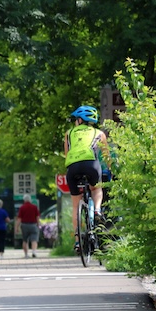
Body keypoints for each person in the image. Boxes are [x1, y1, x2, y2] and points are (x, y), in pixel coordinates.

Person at [64, 105, 111, 251]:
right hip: (92, 166)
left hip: (73, 169)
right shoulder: (99, 133)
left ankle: (78, 241)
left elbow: (67, 154)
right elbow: (106, 157)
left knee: (75, 204)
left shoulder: (68, 133)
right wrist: (110, 170)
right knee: (96, 189)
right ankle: (97, 210)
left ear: (79, 120)